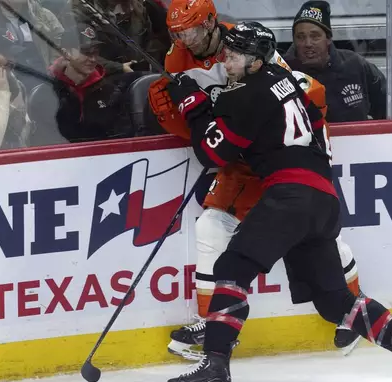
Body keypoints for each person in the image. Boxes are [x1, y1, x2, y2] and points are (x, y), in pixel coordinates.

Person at [165, 21, 392, 382]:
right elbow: (305, 120)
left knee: (231, 266)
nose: (226, 59)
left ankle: (214, 369)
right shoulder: (288, 79)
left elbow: (213, 151)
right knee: (333, 301)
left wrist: (192, 105)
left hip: (288, 195)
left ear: (256, 60)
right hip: (322, 198)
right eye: (226, 51)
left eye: (234, 54)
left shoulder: (244, 93)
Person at [147, 0, 361, 361]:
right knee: (211, 227)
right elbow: (201, 132)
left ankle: (350, 310)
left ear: (212, 23)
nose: (187, 40)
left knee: (316, 237)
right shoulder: (176, 60)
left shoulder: (246, 42)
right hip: (240, 153)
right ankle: (210, 320)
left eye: (193, 30)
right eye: (178, 33)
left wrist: (198, 109)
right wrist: (178, 114)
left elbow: (284, 94)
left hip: (275, 150)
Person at [283, 1, 387, 123]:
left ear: (328, 38)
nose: (308, 43)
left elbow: (385, 109)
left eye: (315, 36)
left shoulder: (355, 65)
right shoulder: (282, 72)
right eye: (300, 37)